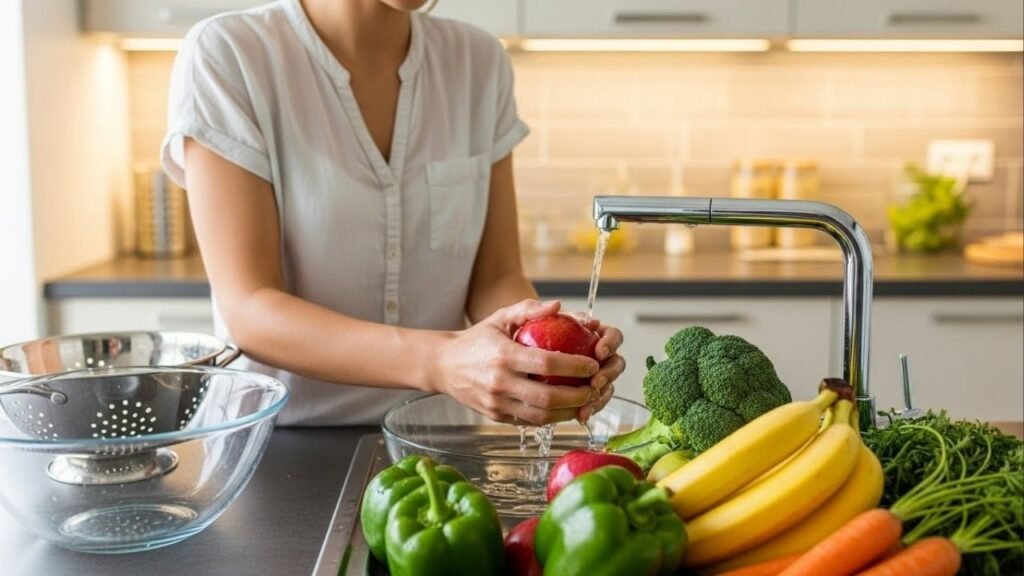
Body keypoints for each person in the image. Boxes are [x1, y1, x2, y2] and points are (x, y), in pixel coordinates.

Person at [160, 0, 625, 427]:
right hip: (277, 441)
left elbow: (496, 277)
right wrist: (439, 361)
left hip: (435, 435)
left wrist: (546, 354)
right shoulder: (231, 53)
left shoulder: (478, 61)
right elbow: (249, 307)